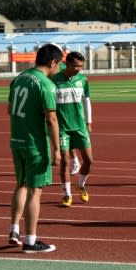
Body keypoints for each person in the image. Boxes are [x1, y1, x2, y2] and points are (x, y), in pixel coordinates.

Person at [7, 43, 62, 253]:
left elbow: (9, 109)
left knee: (20, 184)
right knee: (35, 191)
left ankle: (14, 229)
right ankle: (30, 241)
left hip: (16, 140)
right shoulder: (46, 84)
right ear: (52, 62)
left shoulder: (19, 78)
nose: (59, 68)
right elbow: (52, 119)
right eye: (59, 64)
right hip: (34, 145)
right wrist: (56, 149)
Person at [52, 51, 94, 207]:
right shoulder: (54, 80)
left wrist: (89, 122)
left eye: (81, 66)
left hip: (80, 126)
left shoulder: (83, 80)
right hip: (62, 128)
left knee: (89, 160)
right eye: (76, 65)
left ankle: (81, 185)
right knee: (65, 162)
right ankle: (67, 194)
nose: (78, 68)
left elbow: (86, 100)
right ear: (67, 64)